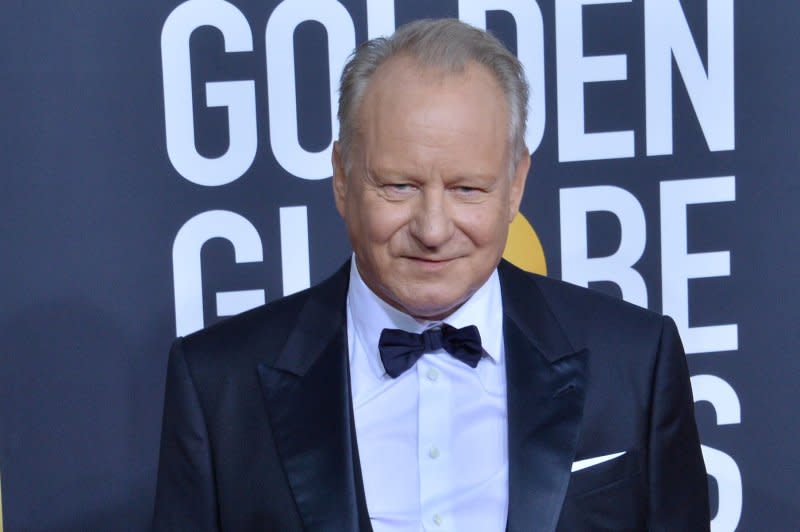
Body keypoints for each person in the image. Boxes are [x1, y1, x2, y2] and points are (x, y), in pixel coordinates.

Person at [152, 18, 709, 531]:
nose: (434, 228)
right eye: (400, 186)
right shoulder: (219, 387)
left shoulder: (635, 361)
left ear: (515, 185)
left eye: (468, 188)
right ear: (342, 180)